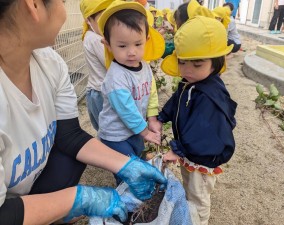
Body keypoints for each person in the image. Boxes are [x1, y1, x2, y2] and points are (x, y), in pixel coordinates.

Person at [0, 0, 167, 224]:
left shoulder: (49, 63)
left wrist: (126, 165)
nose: (64, 9)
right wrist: (78, 199)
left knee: (71, 158)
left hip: (32, 186)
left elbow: (69, 135)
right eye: (62, 1)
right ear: (33, 5)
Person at [159, 16, 237, 225]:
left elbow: (201, 131)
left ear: (216, 62)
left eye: (197, 64)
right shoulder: (191, 82)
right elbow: (176, 102)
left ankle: (197, 221)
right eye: (182, 62)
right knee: (190, 190)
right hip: (190, 152)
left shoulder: (209, 96)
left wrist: (176, 150)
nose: (186, 70)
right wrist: (162, 117)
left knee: (198, 197)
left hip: (201, 156)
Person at [96, 1, 165, 181]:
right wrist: (146, 132)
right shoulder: (116, 77)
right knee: (128, 172)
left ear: (146, 40)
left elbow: (151, 93)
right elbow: (126, 110)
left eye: (137, 44)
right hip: (115, 135)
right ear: (108, 45)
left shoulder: (145, 67)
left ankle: (134, 200)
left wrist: (151, 118)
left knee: (138, 159)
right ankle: (127, 205)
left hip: (134, 130)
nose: (132, 52)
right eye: (122, 46)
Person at [79, 0, 112, 131]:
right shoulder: (96, 39)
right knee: (110, 133)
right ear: (88, 20)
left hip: (97, 91)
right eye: (102, 19)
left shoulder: (91, 35)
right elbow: (112, 65)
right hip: (101, 93)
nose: (107, 24)